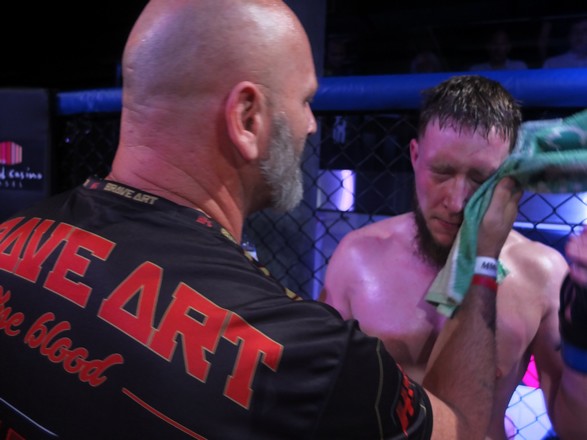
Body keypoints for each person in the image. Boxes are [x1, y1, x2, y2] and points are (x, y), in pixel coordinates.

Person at [0, 1, 522, 439]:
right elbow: (463, 430)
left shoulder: (10, 238)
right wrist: (480, 260)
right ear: (247, 118)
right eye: (305, 101)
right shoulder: (307, 353)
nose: (311, 125)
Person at [321, 74, 587, 440]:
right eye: (442, 172)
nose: (458, 201)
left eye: (481, 179)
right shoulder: (357, 258)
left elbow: (575, 428)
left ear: (510, 174)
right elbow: (326, 391)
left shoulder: (541, 272)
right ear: (415, 156)